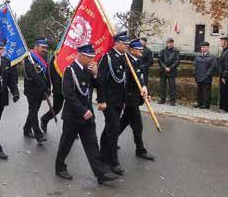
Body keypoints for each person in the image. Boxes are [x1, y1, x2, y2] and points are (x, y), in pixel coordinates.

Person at [55, 44, 119, 184]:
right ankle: (60, 167)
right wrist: (82, 110)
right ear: (81, 55)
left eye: (92, 57)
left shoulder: (88, 70)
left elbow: (98, 86)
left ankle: (100, 173)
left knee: (92, 145)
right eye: (89, 57)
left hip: (88, 116)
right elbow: (68, 94)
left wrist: (96, 74)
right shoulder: (69, 71)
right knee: (66, 143)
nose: (92, 60)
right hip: (73, 116)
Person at [96, 31, 131, 176]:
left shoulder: (124, 58)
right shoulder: (107, 58)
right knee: (115, 128)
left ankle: (103, 154)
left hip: (119, 101)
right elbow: (101, 81)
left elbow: (123, 81)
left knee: (110, 128)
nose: (127, 46)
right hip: (109, 101)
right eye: (125, 44)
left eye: (128, 44)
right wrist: (101, 100)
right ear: (117, 43)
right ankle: (113, 162)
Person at [118, 39, 155, 161]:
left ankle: (110, 141)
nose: (141, 51)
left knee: (123, 123)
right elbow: (125, 83)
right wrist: (124, 100)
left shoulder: (137, 62)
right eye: (139, 49)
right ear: (132, 50)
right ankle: (140, 150)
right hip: (129, 99)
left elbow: (141, 79)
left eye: (141, 49)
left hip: (136, 97)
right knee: (137, 125)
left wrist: (144, 90)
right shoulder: (126, 62)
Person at [22, 38, 51, 143]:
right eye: (43, 47)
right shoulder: (29, 57)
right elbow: (32, 74)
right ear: (36, 46)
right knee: (33, 111)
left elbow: (47, 73)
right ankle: (38, 134)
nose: (45, 49)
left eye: (46, 48)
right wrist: (43, 85)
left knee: (33, 110)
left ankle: (26, 129)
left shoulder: (44, 57)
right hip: (32, 90)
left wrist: (48, 87)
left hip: (41, 89)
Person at [40, 54, 63, 133]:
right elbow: (52, 74)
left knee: (72, 109)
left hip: (71, 87)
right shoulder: (55, 57)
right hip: (59, 87)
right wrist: (55, 87)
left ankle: (71, 128)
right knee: (57, 108)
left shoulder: (72, 54)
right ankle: (45, 119)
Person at [194, 41, 216, 109]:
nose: (202, 48)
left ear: (208, 48)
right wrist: (195, 74)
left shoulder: (212, 57)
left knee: (206, 92)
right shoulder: (198, 56)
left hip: (207, 77)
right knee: (199, 91)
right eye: (202, 47)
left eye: (204, 47)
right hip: (199, 76)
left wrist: (207, 74)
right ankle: (199, 102)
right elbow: (195, 66)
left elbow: (213, 67)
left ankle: (206, 104)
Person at [158, 37, 180, 106]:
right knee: (162, 86)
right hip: (163, 71)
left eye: (171, 43)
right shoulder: (162, 50)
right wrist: (165, 67)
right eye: (169, 43)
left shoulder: (176, 51)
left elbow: (177, 61)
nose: (170, 44)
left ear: (173, 43)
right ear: (166, 43)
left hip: (172, 71)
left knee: (172, 87)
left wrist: (170, 68)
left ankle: (172, 101)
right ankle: (162, 99)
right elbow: (160, 60)